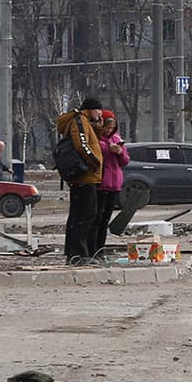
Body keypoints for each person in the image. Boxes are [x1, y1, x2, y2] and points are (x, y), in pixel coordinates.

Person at [55, 96, 104, 264]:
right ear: (90, 109)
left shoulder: (84, 122)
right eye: (98, 110)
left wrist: (98, 127)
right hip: (85, 177)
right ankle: (79, 254)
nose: (100, 113)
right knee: (85, 215)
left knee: (79, 215)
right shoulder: (79, 120)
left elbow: (91, 140)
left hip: (85, 177)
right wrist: (96, 162)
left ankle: (74, 253)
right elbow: (81, 145)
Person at [92, 111, 129, 258]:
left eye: (112, 127)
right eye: (107, 127)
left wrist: (120, 152)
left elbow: (125, 161)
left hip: (115, 184)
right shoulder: (96, 139)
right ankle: (93, 249)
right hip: (101, 184)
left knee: (106, 219)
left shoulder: (117, 139)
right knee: (97, 218)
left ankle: (100, 249)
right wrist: (108, 149)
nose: (109, 130)